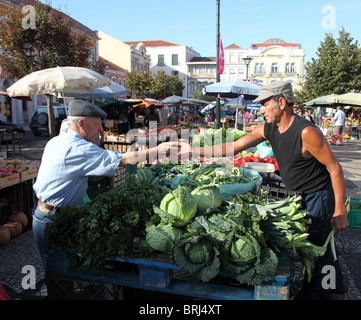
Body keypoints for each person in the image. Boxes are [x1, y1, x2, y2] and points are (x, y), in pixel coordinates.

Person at [181, 81, 348, 300]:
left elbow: (335, 168)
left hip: (318, 195)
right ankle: (338, 283)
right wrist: (193, 150)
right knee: (319, 244)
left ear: (281, 102)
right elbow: (232, 147)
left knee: (316, 250)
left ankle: (316, 293)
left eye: (264, 104)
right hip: (297, 195)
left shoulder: (307, 132)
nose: (260, 109)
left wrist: (339, 211)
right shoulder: (267, 129)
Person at [32, 100, 179, 269]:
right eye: (96, 124)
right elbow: (122, 160)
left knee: (57, 271)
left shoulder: (56, 141)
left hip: (43, 214)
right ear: (81, 123)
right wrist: (158, 150)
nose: (100, 129)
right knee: (59, 271)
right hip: (53, 219)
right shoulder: (79, 148)